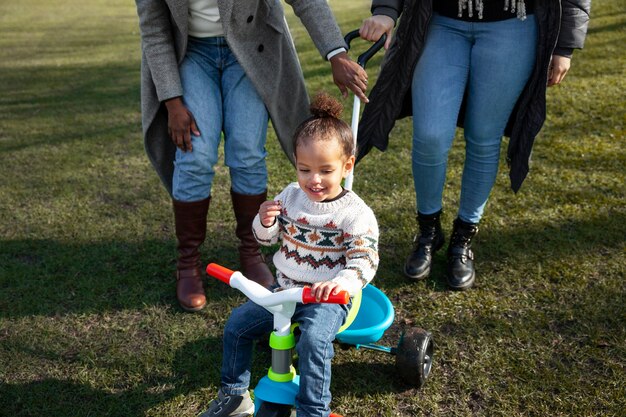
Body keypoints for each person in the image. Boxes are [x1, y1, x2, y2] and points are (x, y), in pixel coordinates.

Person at [134, 0, 370, 312]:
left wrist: (336, 53)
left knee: (246, 152)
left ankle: (251, 251)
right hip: (189, 53)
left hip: (251, 47)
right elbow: (154, 30)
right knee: (195, 157)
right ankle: (188, 262)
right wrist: (172, 101)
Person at [358, 0, 590, 290]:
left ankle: (463, 237)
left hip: (513, 24)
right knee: (430, 135)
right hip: (441, 22)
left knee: (484, 137)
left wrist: (565, 45)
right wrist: (386, 10)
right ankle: (428, 232)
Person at [199, 93, 379, 417]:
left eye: (326, 170)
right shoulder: (291, 196)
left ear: (347, 165)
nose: (314, 180)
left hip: (328, 298)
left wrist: (340, 284)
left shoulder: (354, 213)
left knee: (312, 341)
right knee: (238, 325)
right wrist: (265, 221)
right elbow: (266, 239)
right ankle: (235, 394)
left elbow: (364, 260)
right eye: (305, 169)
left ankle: (313, 409)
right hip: (284, 291)